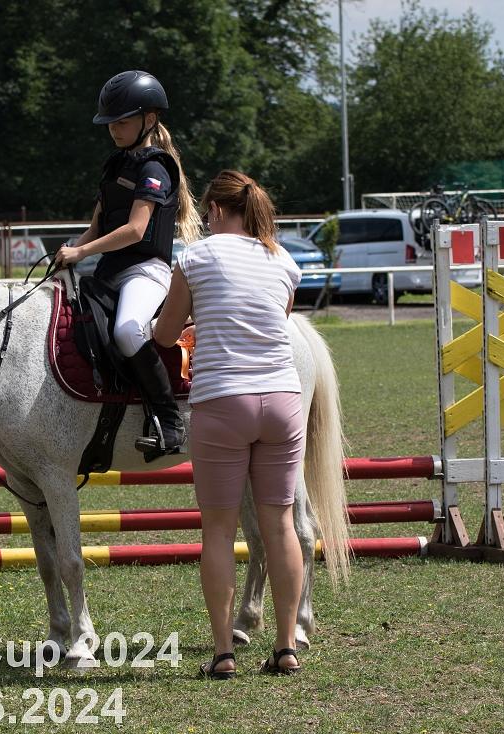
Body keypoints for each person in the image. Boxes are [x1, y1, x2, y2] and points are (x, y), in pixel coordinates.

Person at [153, 169, 314, 679]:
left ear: (217, 211)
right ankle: (286, 646)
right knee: (281, 525)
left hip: (223, 402)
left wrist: (190, 327)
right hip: (283, 401)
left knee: (219, 531)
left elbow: (164, 335)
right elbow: (274, 320)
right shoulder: (283, 260)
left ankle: (223, 653)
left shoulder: (195, 257)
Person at [52, 69, 202, 461]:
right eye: (110, 123)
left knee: (127, 329)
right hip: (109, 272)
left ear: (148, 120)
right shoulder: (114, 166)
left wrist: (82, 253)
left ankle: (170, 422)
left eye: (122, 122)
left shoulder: (155, 169)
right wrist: (69, 250)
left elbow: (136, 230)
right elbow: (97, 226)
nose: (114, 130)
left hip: (145, 270)